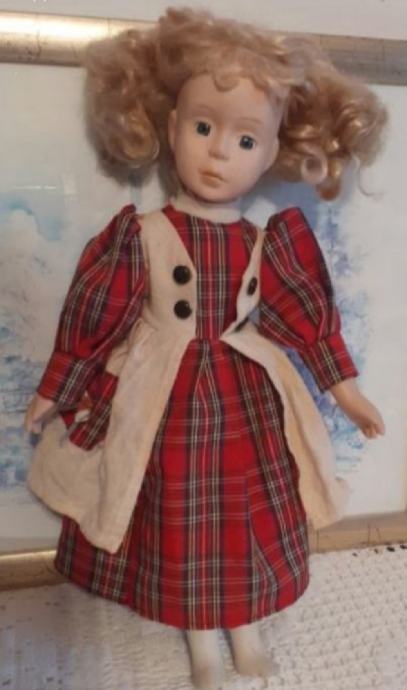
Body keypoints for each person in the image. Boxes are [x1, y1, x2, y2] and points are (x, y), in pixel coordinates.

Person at [25, 8, 386, 690]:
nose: (219, 152)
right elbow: (96, 317)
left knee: (243, 513)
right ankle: (200, 641)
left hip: (244, 396)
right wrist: (56, 389)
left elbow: (305, 320)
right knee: (179, 514)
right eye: (202, 127)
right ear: (169, 129)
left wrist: (346, 392)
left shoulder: (267, 243)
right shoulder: (142, 235)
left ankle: (242, 624)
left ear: (273, 151)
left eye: (245, 139)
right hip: (164, 398)